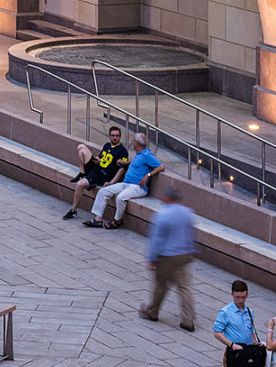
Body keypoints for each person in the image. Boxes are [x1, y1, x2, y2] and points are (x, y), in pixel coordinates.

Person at [138, 186, 197, 331]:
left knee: (161, 285)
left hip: (166, 256)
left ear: (167, 198)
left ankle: (153, 311)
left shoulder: (162, 216)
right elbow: (192, 235)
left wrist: (151, 258)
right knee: (185, 287)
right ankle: (188, 320)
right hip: (184, 254)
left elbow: (157, 239)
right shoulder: (188, 213)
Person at [85, 133, 163, 228]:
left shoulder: (147, 155)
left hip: (138, 187)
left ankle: (117, 221)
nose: (132, 143)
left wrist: (148, 175)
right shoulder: (139, 154)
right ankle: (98, 219)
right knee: (103, 191)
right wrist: (124, 162)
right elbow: (135, 162)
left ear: (137, 143)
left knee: (120, 198)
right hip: (126, 184)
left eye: (133, 141)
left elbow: (161, 166)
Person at [64, 125, 127, 220]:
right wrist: (98, 159)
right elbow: (101, 157)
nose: (115, 138)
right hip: (96, 166)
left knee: (80, 184)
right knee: (81, 147)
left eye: (117, 136)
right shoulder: (107, 145)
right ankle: (82, 173)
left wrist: (112, 182)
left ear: (120, 136)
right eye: (113, 135)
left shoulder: (122, 151)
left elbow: (122, 168)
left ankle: (73, 211)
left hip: (102, 175)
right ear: (109, 136)